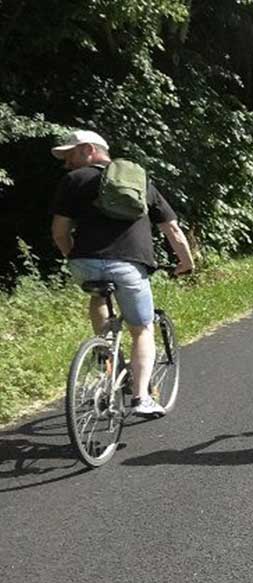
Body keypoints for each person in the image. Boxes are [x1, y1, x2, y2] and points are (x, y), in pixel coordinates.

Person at [49, 130, 195, 417]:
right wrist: (186, 261)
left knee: (97, 293)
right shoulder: (139, 181)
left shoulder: (73, 181)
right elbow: (172, 229)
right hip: (129, 264)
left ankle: (105, 349)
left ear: (89, 150)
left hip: (85, 263)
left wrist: (75, 258)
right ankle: (141, 398)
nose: (66, 164)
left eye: (70, 156)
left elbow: (59, 232)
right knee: (141, 330)